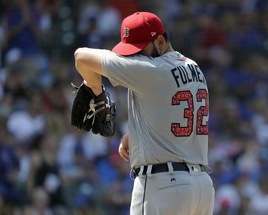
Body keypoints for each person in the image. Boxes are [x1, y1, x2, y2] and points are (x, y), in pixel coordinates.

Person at [74, 11, 215, 215]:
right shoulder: (194, 68)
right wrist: (138, 134)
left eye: (139, 49)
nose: (134, 56)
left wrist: (97, 92)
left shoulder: (152, 69)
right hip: (201, 188)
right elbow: (174, 111)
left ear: (159, 41)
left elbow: (81, 56)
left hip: (163, 187)